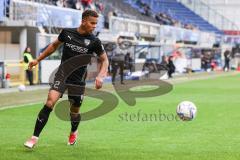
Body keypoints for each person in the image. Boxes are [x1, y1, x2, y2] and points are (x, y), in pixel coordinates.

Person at [24, 10, 109, 149]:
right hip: (62, 75)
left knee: (74, 111)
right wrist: (37, 60)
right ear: (83, 21)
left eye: (96, 24)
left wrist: (101, 75)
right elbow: (53, 46)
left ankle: (73, 131)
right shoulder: (67, 33)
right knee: (50, 102)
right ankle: (34, 138)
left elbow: (105, 60)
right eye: (92, 23)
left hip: (78, 80)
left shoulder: (94, 41)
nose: (94, 26)